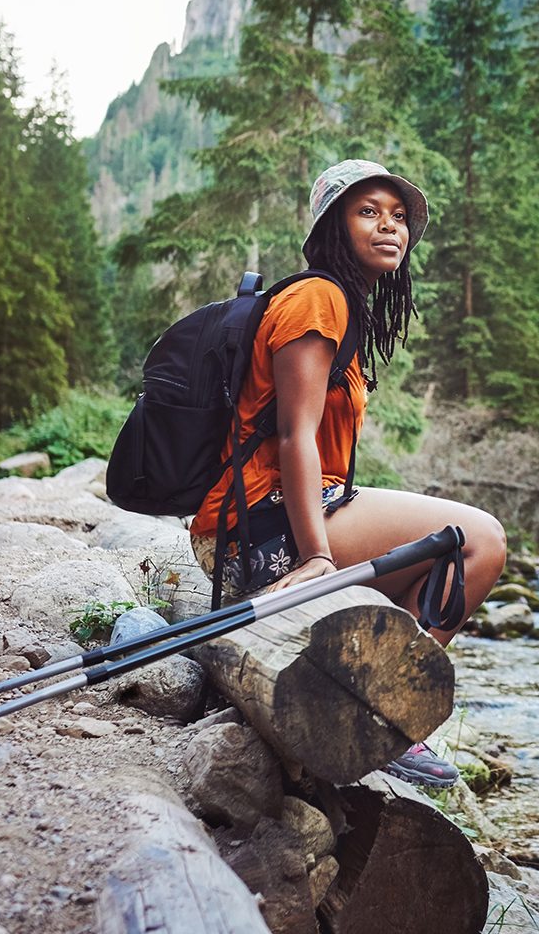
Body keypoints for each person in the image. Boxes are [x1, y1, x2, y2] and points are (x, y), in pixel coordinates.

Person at [189, 158, 507, 787]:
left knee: (450, 546)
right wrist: (316, 557)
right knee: (481, 542)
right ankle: (390, 713)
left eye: (398, 217)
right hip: (262, 532)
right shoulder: (319, 297)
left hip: (266, 522)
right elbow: (293, 435)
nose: (390, 227)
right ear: (333, 226)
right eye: (368, 211)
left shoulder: (341, 305)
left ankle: (367, 705)